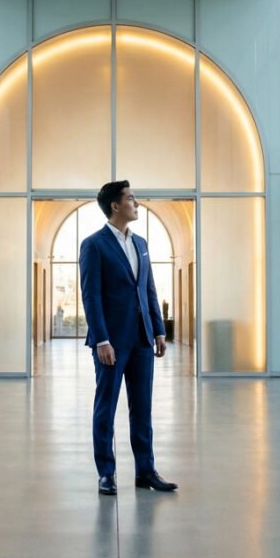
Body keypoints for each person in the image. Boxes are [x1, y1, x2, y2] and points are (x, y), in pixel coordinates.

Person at [79, 180, 178, 495]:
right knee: (105, 407)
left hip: (141, 340)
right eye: (131, 199)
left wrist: (158, 330)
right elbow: (90, 296)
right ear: (115, 206)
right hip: (111, 342)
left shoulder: (141, 243)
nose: (136, 204)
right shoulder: (94, 245)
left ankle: (145, 471)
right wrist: (101, 340)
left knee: (143, 407)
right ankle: (106, 473)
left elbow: (148, 289)